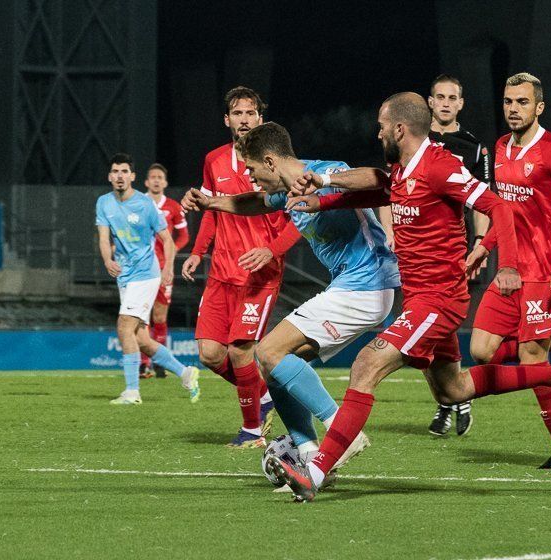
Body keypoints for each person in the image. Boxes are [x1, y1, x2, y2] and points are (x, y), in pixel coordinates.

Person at [269, 92, 551, 502]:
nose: (378, 131)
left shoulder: (439, 166)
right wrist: (322, 196)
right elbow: (381, 190)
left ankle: (314, 472)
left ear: (399, 129)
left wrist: (506, 265)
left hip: (438, 300)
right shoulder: (401, 168)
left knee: (367, 366)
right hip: (420, 298)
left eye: (382, 125)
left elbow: (498, 206)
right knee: (452, 390)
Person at [182, 121, 400, 475]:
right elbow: (256, 202)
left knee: (265, 350)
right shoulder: (286, 189)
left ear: (270, 161)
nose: (251, 177)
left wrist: (326, 183)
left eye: (252, 169)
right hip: (355, 288)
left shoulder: (323, 171)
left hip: (366, 285)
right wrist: (213, 203)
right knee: (274, 368)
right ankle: (308, 453)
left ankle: (344, 431)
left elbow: (378, 180)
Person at [463, 72, 551, 470]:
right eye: (508, 102)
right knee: (480, 350)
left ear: (538, 107)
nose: (513, 109)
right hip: (510, 270)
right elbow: (507, 214)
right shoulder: (500, 148)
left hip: (544, 272)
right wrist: (484, 247)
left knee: (530, 360)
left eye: (522, 102)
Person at [181, 87, 301, 448]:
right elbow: (212, 209)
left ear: (261, 119)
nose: (245, 119)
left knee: (240, 351)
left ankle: (252, 429)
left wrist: (272, 250)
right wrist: (197, 252)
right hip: (221, 274)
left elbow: (301, 217)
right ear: (227, 120)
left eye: (251, 113)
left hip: (259, 277)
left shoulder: (275, 163)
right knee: (210, 354)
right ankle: (263, 396)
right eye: (238, 113)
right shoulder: (214, 160)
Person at [419, 74, 494, 437]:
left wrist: (479, 242)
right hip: (414, 251)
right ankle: (453, 399)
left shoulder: (474, 148)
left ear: (461, 104)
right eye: (440, 97)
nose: (446, 102)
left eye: (453, 97)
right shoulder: (415, 140)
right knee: (428, 330)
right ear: (429, 102)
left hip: (451, 250)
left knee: (439, 326)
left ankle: (451, 399)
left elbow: (482, 198)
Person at [95, 153, 197, 404]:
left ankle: (132, 392)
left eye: (124, 172)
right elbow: (103, 238)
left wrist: (169, 267)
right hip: (125, 276)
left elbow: (168, 240)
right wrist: (108, 260)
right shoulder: (104, 202)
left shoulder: (144, 205)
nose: (119, 176)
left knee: (123, 327)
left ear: (132, 176)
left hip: (145, 273)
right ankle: (185, 372)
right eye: (115, 172)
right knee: (141, 339)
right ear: (110, 176)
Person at [139, 163, 190, 379]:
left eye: (160, 177)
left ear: (165, 182)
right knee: (141, 315)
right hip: (140, 268)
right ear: (147, 182)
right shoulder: (137, 203)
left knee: (159, 316)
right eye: (153, 177)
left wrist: (171, 253)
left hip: (162, 268)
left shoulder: (173, 207)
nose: (157, 180)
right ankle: (143, 365)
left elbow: (184, 236)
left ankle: (159, 363)